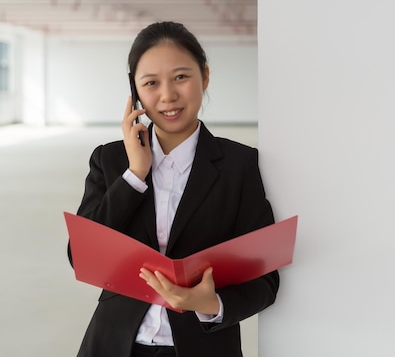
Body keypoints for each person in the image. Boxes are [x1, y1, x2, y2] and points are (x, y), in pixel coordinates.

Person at [68, 21, 279, 357]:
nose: (167, 95)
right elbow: (80, 255)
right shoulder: (109, 160)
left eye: (181, 77)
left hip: (203, 346)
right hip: (115, 345)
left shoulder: (240, 164)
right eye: (151, 83)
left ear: (205, 77)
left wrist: (209, 303)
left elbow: (265, 279)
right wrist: (135, 175)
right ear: (135, 91)